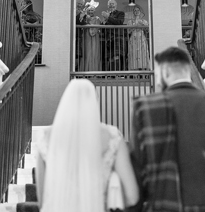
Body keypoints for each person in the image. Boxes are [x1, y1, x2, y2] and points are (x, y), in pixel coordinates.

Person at [130, 47, 205, 212]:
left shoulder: (144, 106)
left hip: (162, 202)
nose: (156, 82)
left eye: (157, 75)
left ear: (165, 72)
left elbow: (138, 165)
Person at [35, 79, 139, 212]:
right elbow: (132, 197)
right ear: (94, 103)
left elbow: (42, 199)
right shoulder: (112, 136)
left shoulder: (45, 136)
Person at [101, 0, 126, 71]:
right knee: (110, 57)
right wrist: (104, 21)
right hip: (108, 38)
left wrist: (108, 17)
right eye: (110, 4)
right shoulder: (107, 15)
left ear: (116, 5)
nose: (111, 5)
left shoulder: (120, 13)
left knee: (116, 56)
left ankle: (117, 74)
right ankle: (111, 75)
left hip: (117, 36)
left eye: (112, 4)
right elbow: (103, 29)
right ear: (108, 6)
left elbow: (119, 22)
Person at [126, 6, 150, 70]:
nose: (136, 12)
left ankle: (144, 73)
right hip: (133, 38)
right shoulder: (130, 22)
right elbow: (128, 31)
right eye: (135, 11)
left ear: (140, 12)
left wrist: (143, 25)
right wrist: (135, 26)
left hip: (141, 38)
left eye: (138, 10)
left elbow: (147, 30)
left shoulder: (144, 21)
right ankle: (134, 74)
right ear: (133, 12)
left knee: (143, 55)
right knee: (133, 54)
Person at [83, 4, 102, 71]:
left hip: (95, 38)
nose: (91, 12)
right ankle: (87, 71)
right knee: (87, 53)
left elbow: (97, 28)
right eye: (89, 10)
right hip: (86, 37)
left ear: (95, 11)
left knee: (95, 53)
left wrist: (89, 26)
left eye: (92, 10)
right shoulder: (85, 18)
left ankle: (94, 71)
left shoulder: (97, 18)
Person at [75, 0, 87, 71]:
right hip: (70, 34)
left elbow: (84, 23)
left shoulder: (83, 12)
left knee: (78, 53)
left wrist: (82, 17)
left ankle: (77, 71)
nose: (80, 5)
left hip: (79, 34)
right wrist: (79, 16)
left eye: (81, 4)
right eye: (78, 3)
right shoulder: (71, 10)